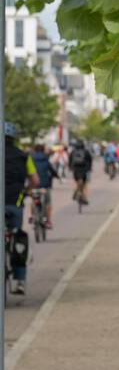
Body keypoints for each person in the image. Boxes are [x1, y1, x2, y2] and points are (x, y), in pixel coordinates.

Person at [4, 122, 38, 295]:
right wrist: (26, 191)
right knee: (18, 238)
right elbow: (35, 181)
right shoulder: (24, 156)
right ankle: (20, 282)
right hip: (15, 204)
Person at [31, 141, 59, 229]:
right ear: (43, 150)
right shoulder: (45, 159)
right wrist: (57, 176)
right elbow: (52, 171)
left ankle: (33, 217)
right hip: (45, 185)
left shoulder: (30, 159)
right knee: (48, 203)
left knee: (33, 200)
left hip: (34, 185)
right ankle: (48, 221)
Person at [70, 138, 93, 204]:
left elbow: (70, 160)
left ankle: (75, 191)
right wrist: (89, 168)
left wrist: (71, 167)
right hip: (84, 170)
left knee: (77, 182)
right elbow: (90, 160)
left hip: (76, 169)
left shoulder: (73, 152)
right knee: (85, 184)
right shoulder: (86, 151)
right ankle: (85, 199)